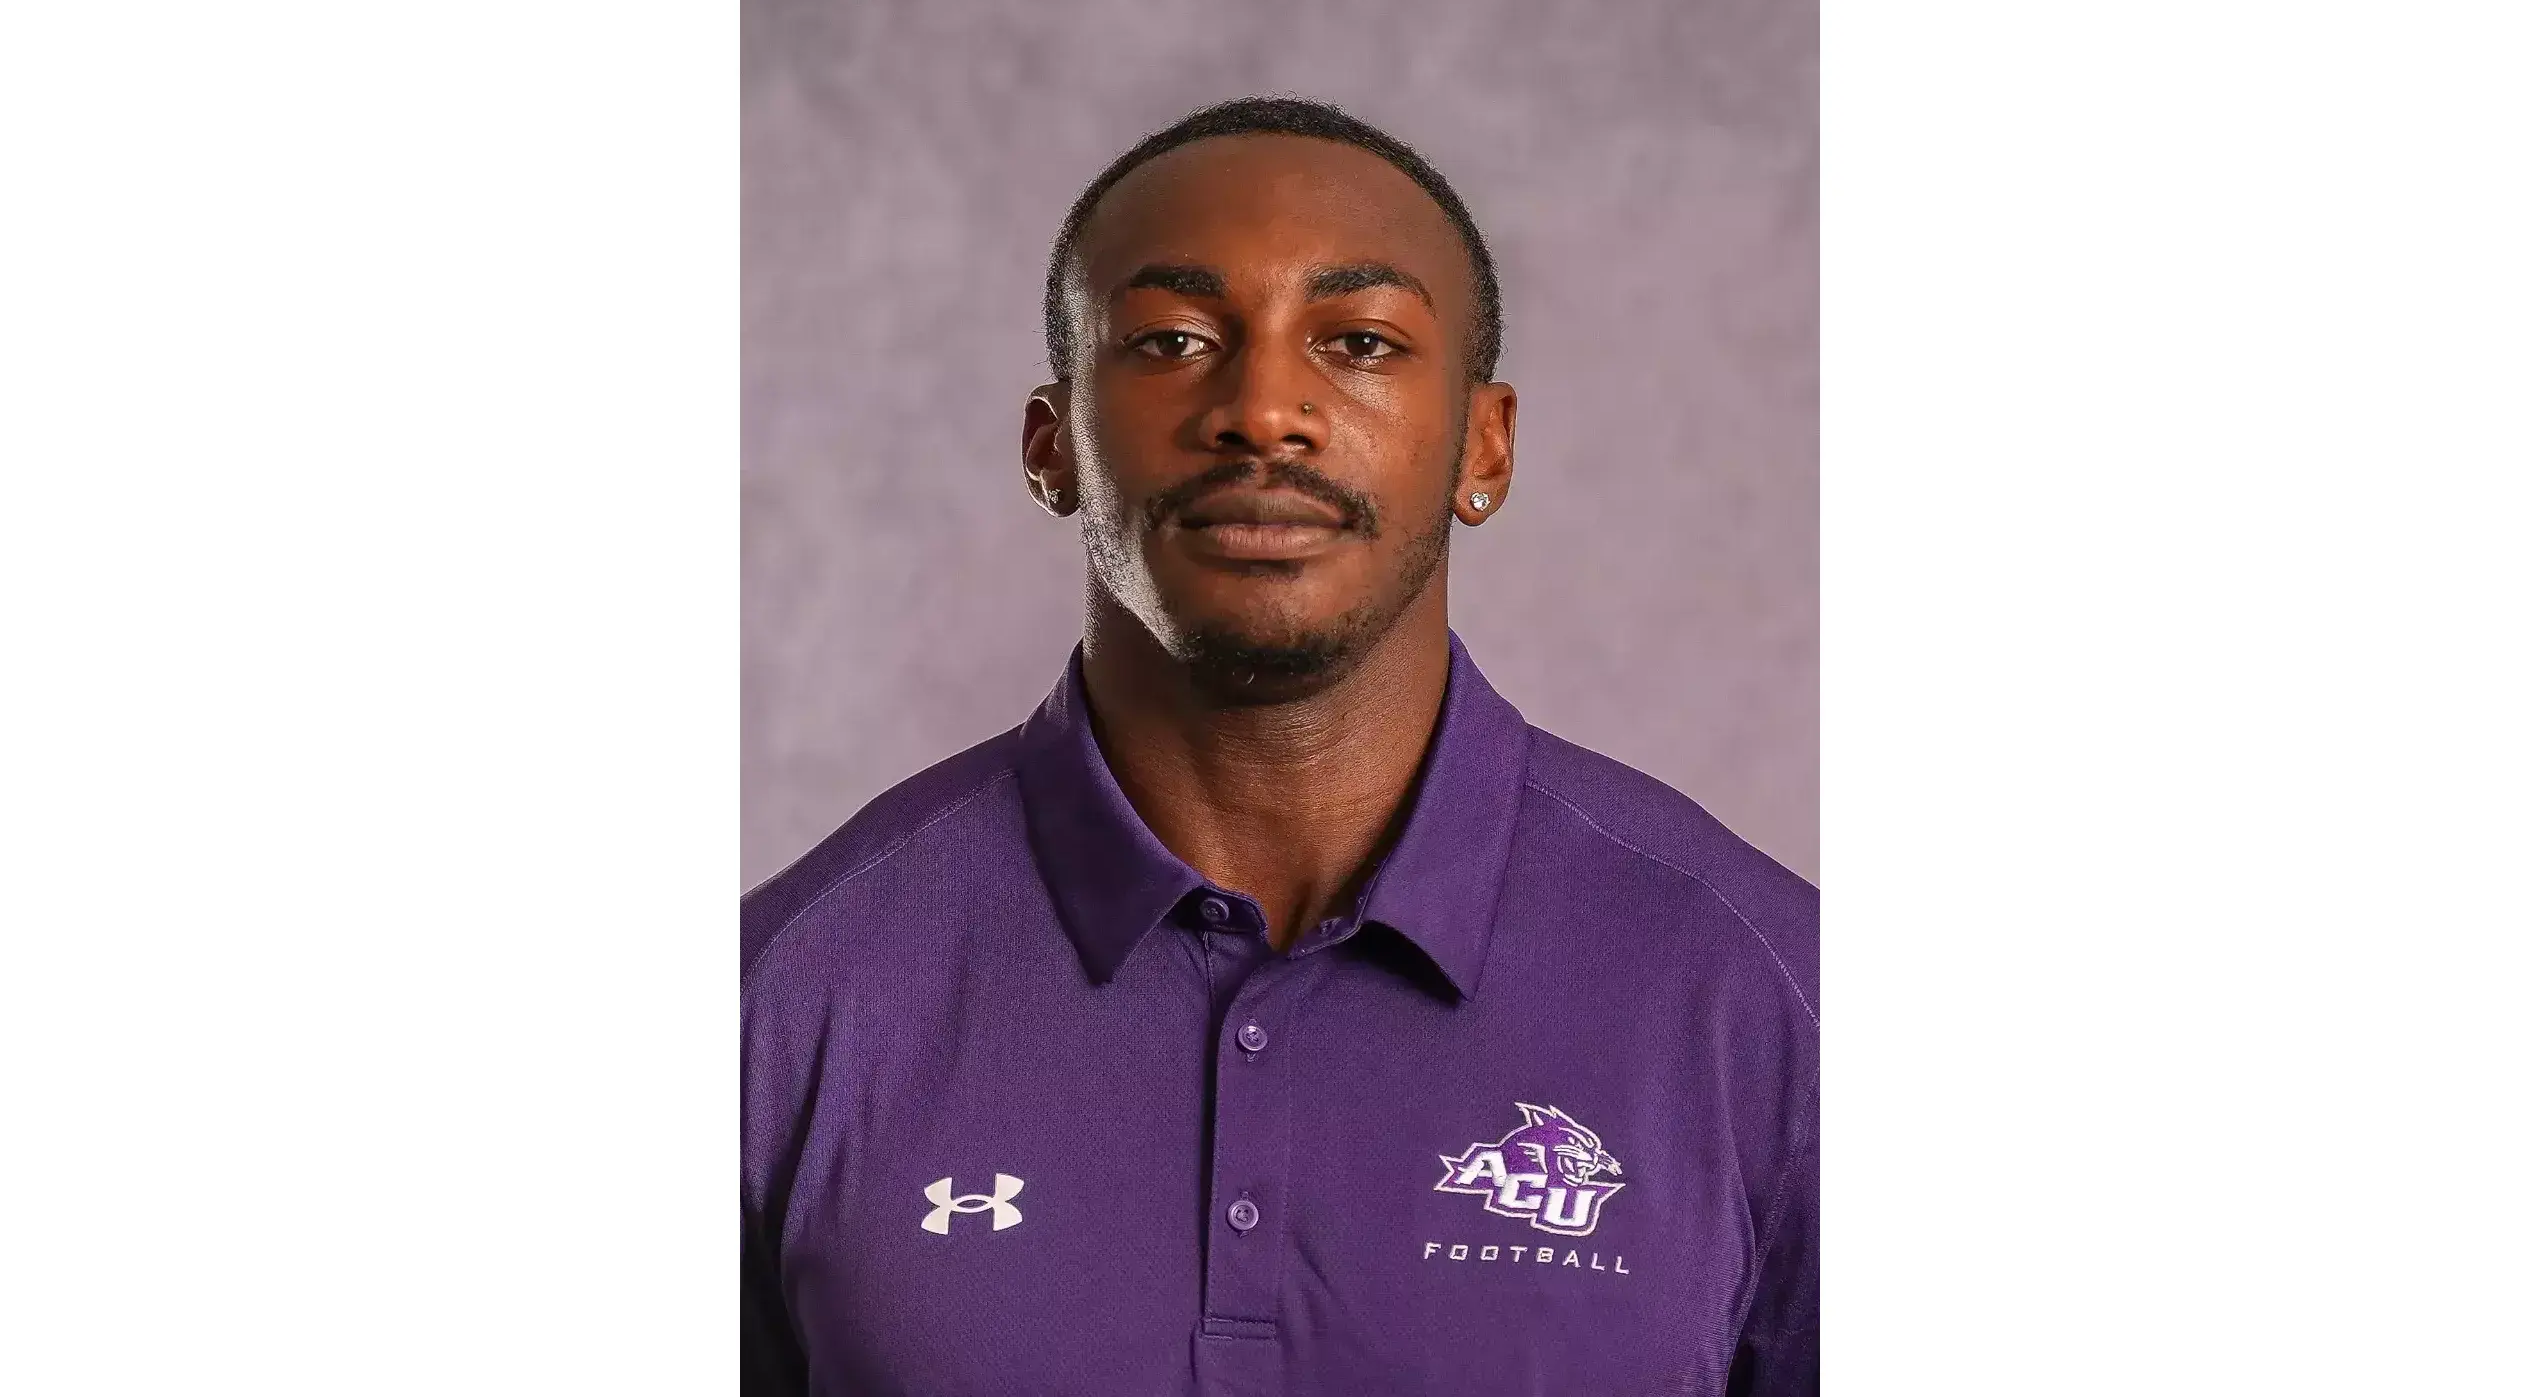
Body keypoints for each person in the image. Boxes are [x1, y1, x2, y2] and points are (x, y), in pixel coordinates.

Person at [743, 96, 1817, 1396]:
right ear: (1052, 445)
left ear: (1484, 446)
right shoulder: (785, 998)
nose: (1261, 411)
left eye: (1359, 343)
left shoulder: (1767, 997)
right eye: (1172, 341)